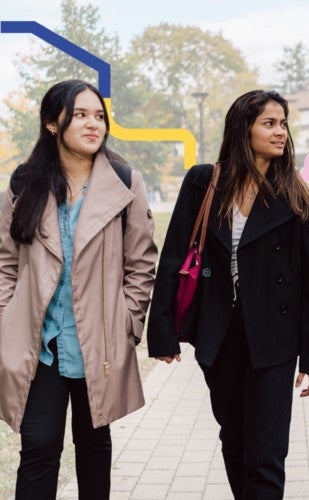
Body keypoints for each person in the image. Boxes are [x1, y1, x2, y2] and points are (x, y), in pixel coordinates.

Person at [147, 89, 309, 499]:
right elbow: (175, 253)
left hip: (275, 336)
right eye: (269, 123)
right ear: (242, 128)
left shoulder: (296, 194)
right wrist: (161, 330)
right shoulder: (204, 181)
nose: (280, 132)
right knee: (234, 439)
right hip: (220, 332)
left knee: (267, 452)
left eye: (283, 123)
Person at [0, 79, 157, 499]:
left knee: (94, 447)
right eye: (81, 115)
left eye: (99, 116)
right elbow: (5, 262)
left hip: (99, 343)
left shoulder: (125, 181)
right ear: (52, 123)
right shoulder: (23, 183)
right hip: (41, 347)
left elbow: (141, 263)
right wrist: (6, 320)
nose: (93, 124)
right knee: (37, 447)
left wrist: (128, 323)